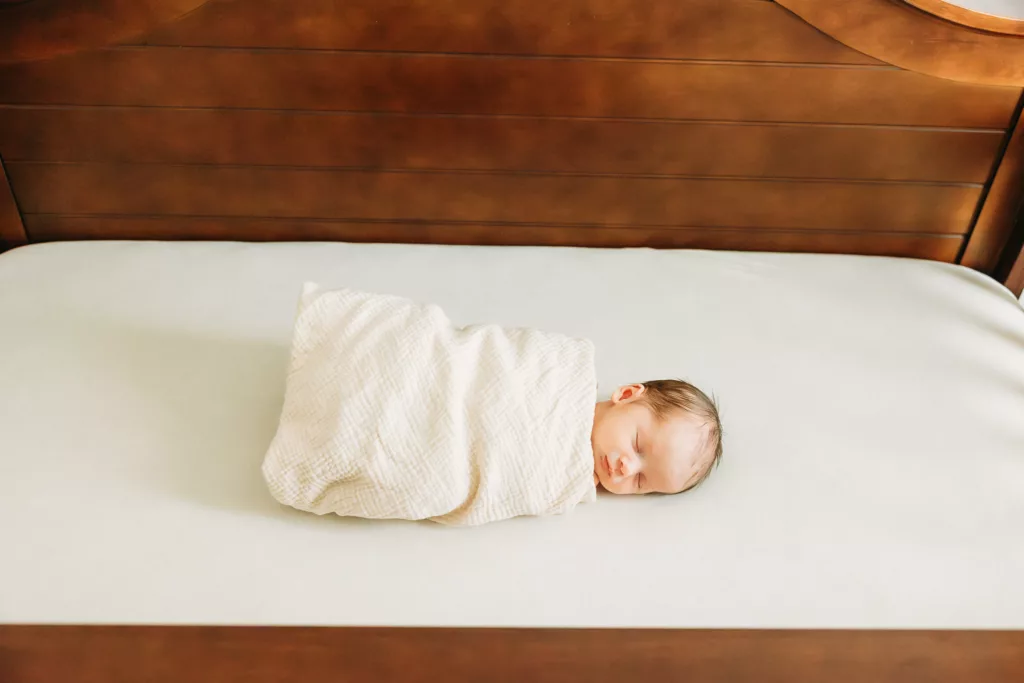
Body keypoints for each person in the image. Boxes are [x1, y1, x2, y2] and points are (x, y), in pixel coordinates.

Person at [591, 380, 722, 495]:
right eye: (636, 445)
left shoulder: (581, 481)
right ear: (626, 395)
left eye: (639, 481)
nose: (627, 469)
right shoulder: (579, 388)